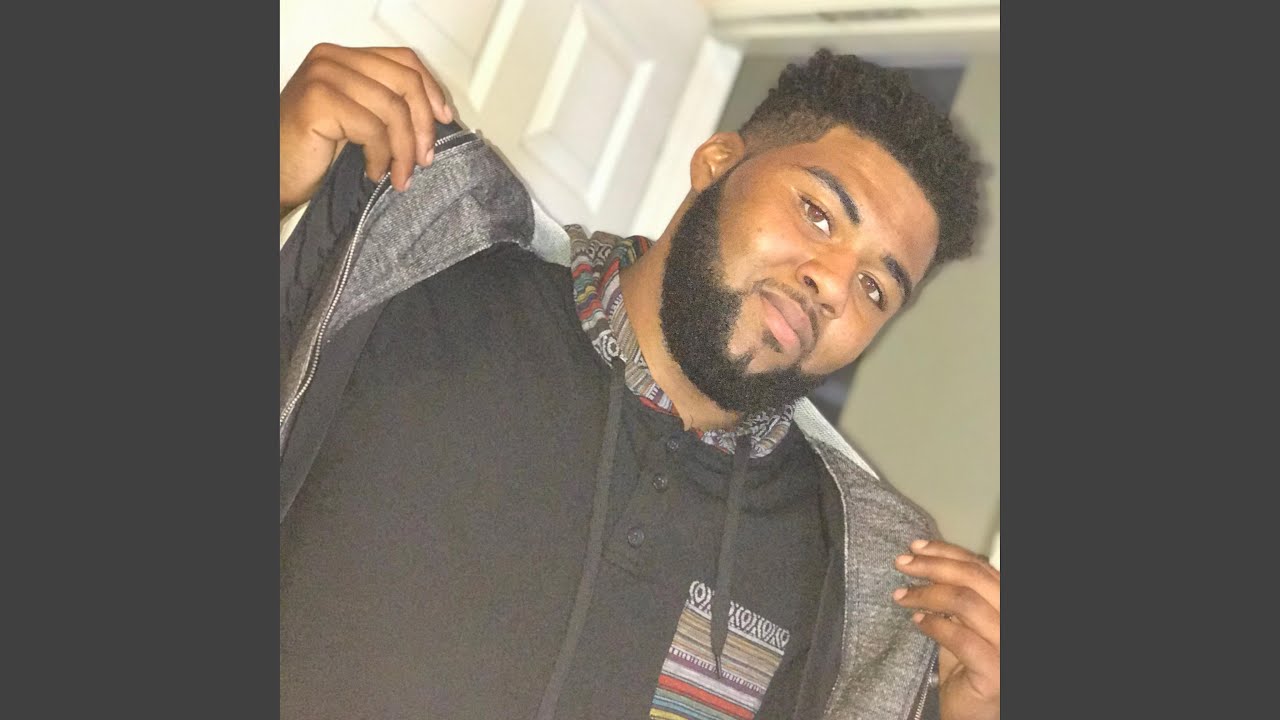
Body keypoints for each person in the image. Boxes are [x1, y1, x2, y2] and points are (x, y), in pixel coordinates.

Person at [279, 42, 999, 720]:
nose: (834, 285)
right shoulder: (431, 280)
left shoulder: (838, 569)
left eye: (875, 288)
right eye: (817, 213)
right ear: (717, 163)